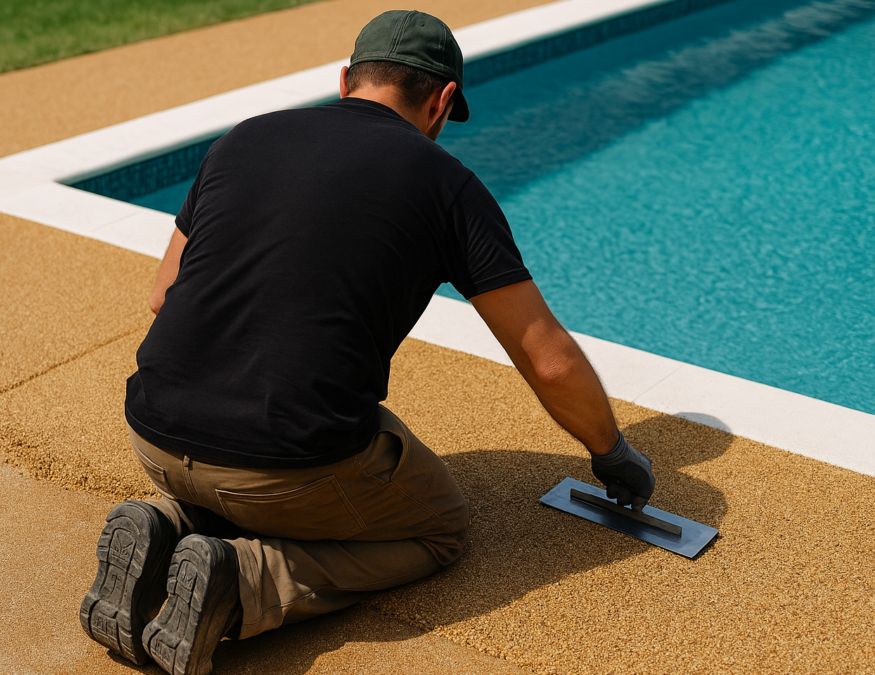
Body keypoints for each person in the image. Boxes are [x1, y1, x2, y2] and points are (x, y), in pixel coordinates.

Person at [80, 10, 655, 675]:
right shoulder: (448, 186)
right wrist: (611, 451)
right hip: (282, 466)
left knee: (256, 463)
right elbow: (547, 360)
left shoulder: (243, 138)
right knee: (439, 528)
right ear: (441, 102)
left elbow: (162, 295)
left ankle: (170, 522)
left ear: (347, 79)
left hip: (151, 432)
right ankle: (242, 581)